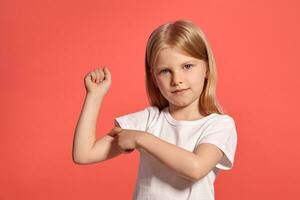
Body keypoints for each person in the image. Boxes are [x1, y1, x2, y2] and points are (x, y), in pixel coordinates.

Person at [72, 19, 238, 200]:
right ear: (154, 78)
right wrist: (94, 96)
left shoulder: (219, 125)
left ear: (206, 68)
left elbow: (195, 168)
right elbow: (84, 154)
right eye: (165, 71)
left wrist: (141, 139)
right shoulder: (149, 120)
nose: (177, 80)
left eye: (187, 66)